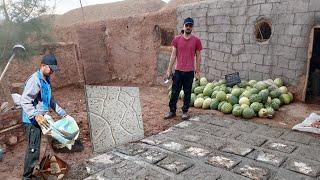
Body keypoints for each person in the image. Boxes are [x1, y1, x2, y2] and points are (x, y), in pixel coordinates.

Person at [20, 54, 67, 179]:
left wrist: (61, 112)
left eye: (53, 69)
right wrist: (35, 116)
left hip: (41, 118)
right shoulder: (35, 80)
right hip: (31, 121)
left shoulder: (46, 80)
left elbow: (50, 100)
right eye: (50, 68)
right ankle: (26, 177)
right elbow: (24, 100)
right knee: (33, 149)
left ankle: (35, 170)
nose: (52, 71)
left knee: (40, 147)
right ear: (42, 66)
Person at [164, 17, 203, 120]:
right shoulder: (177, 39)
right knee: (174, 92)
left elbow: (198, 57)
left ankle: (185, 112)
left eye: (190, 25)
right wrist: (169, 69)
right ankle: (172, 111)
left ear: (192, 27)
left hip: (189, 72)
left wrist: (197, 71)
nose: (188, 27)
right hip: (178, 71)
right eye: (187, 25)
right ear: (183, 26)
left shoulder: (196, 41)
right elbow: (173, 55)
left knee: (187, 93)